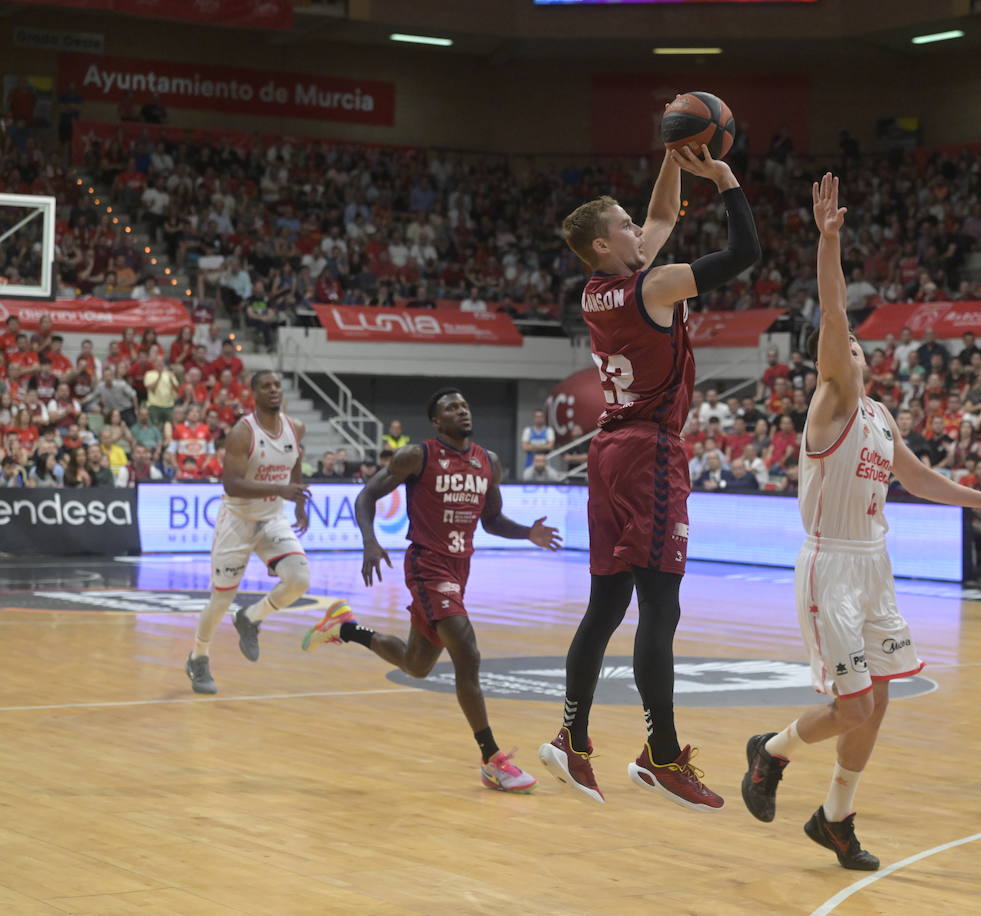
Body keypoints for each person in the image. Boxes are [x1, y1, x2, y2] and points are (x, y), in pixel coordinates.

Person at [739, 175, 981, 868]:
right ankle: (771, 752)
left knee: (881, 699)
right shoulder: (833, 403)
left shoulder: (878, 418)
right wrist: (829, 243)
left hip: (875, 564)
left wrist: (978, 499)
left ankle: (836, 817)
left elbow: (917, 478)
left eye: (860, 350)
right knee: (853, 708)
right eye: (846, 349)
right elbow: (835, 316)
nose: (856, 353)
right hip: (831, 563)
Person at [537, 142, 760, 811]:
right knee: (660, 606)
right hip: (649, 454)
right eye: (627, 226)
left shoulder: (599, 288)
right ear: (605, 245)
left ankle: (571, 739)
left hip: (607, 454)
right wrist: (725, 180)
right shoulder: (653, 286)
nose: (642, 229)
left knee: (606, 606)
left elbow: (662, 212)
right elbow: (743, 255)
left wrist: (671, 153)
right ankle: (661, 755)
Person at [303, 388, 563, 791]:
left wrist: (527, 532)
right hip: (427, 566)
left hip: (459, 570)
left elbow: (492, 520)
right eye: (451, 408)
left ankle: (345, 628)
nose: (461, 410)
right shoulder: (417, 455)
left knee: (416, 664)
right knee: (468, 652)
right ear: (436, 422)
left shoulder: (487, 461)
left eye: (464, 405)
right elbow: (367, 496)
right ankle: (492, 758)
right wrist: (370, 541)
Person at [185, 371, 312, 695]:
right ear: (252, 393)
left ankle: (251, 617)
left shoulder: (295, 427)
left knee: (299, 580)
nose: (273, 390)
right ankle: (198, 658)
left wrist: (296, 500)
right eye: (266, 386)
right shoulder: (242, 432)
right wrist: (279, 488)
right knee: (221, 598)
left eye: (277, 386)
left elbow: (295, 459)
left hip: (272, 519)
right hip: (237, 521)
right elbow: (232, 484)